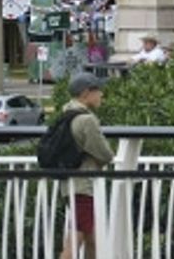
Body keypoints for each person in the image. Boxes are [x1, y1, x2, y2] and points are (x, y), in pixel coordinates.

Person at [59, 72, 115, 259]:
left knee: (91, 237)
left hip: (70, 184)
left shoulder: (66, 114)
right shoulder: (86, 120)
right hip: (84, 185)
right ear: (85, 93)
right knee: (76, 240)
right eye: (98, 90)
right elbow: (105, 154)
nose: (101, 95)